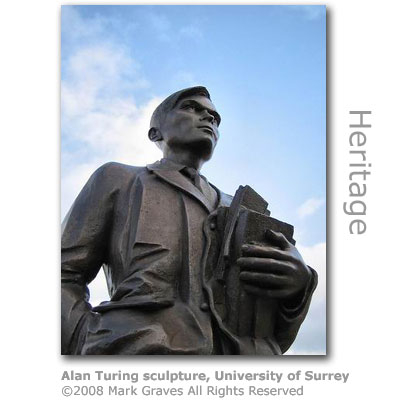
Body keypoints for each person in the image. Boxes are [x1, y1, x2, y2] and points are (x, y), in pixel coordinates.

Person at [61, 86, 317, 355]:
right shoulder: (119, 179)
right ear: (155, 132)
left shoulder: (244, 209)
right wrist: (82, 338)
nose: (208, 118)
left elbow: (270, 322)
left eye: (214, 117)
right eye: (192, 108)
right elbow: (63, 273)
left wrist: (298, 288)